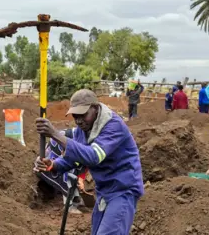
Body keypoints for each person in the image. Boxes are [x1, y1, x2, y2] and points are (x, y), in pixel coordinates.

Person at [34, 89, 144, 235]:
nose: (79, 121)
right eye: (75, 116)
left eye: (83, 115)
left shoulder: (113, 125)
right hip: (104, 191)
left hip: (123, 190)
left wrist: (54, 134)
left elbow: (93, 156)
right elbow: (77, 158)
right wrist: (54, 165)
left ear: (96, 108)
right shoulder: (84, 128)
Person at [35, 127, 90, 214]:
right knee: (70, 173)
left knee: (75, 170)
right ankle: (69, 206)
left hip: (60, 160)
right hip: (46, 164)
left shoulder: (88, 141)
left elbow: (86, 162)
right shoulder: (70, 139)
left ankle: (76, 198)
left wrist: (81, 179)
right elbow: (65, 163)